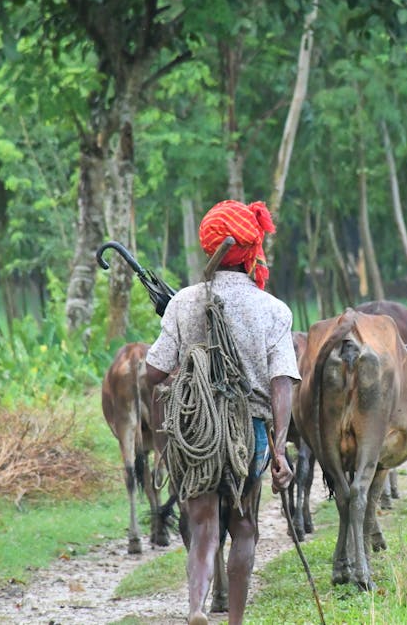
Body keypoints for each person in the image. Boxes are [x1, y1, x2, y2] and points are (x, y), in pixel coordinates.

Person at [145, 199, 299, 625]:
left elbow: (154, 371)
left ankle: (196, 608)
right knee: (244, 526)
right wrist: (281, 449)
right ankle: (234, 621)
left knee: (202, 527)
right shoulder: (273, 310)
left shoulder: (185, 303)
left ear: (208, 246)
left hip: (197, 431)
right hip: (250, 432)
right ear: (250, 252)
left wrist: (171, 355)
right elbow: (282, 383)